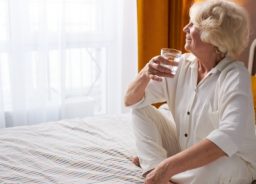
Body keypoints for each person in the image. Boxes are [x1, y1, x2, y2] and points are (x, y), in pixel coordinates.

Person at [124, 0, 256, 183]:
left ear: (214, 36)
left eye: (193, 24)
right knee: (141, 109)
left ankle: (158, 168)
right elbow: (131, 101)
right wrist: (146, 72)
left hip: (232, 159)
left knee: (220, 169)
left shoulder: (235, 76)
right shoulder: (181, 64)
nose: (185, 28)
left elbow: (229, 137)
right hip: (185, 152)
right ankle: (154, 169)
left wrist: (166, 167)